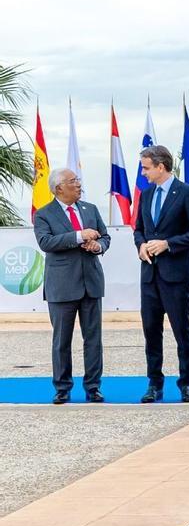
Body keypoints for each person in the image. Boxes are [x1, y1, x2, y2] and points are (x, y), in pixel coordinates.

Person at [133, 145, 189, 403]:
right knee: (151, 332)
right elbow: (139, 229)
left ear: (160, 167)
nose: (143, 173)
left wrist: (168, 244)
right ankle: (154, 384)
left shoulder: (187, 193)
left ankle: (186, 384)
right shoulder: (146, 194)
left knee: (181, 332)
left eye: (146, 167)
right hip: (149, 276)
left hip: (176, 276)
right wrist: (141, 244)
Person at [33, 168, 110, 404]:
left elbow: (105, 237)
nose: (78, 184)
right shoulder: (44, 214)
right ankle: (63, 388)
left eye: (77, 180)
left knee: (93, 339)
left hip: (91, 283)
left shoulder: (90, 209)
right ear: (59, 188)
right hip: (62, 286)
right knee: (62, 340)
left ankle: (93, 387)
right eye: (73, 181)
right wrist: (79, 236)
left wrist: (98, 246)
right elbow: (46, 242)